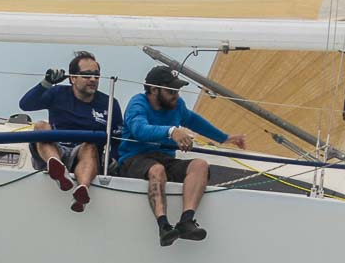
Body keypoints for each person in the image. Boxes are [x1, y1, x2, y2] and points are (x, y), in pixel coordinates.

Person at [118, 65, 245, 246]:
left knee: (200, 164)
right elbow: (139, 129)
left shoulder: (177, 105)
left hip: (165, 158)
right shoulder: (138, 103)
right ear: (154, 90)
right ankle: (163, 226)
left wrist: (225, 138)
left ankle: (186, 221)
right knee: (157, 170)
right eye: (171, 91)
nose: (176, 95)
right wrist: (171, 131)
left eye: (177, 90)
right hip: (134, 158)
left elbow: (194, 120)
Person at [18, 50, 124, 214]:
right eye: (87, 75)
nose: (93, 79)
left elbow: (117, 137)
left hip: (84, 155)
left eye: (96, 75)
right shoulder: (57, 93)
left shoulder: (109, 103)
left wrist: (113, 159)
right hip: (56, 149)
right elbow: (26, 105)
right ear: (72, 78)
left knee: (89, 146)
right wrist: (47, 82)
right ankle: (57, 169)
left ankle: (82, 191)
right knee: (41, 126)